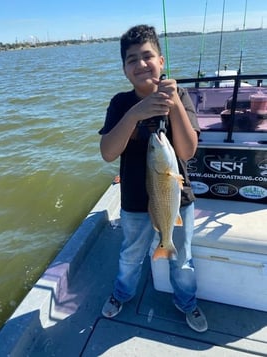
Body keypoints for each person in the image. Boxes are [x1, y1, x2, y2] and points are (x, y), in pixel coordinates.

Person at [99, 24, 208, 333]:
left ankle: (187, 302)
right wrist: (135, 114)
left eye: (148, 56)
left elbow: (186, 151)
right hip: (134, 203)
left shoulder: (179, 94)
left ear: (161, 61)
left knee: (182, 259)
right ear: (124, 69)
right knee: (130, 256)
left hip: (177, 200)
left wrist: (172, 105)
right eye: (132, 59)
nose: (141, 63)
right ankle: (122, 294)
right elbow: (108, 153)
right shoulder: (120, 103)